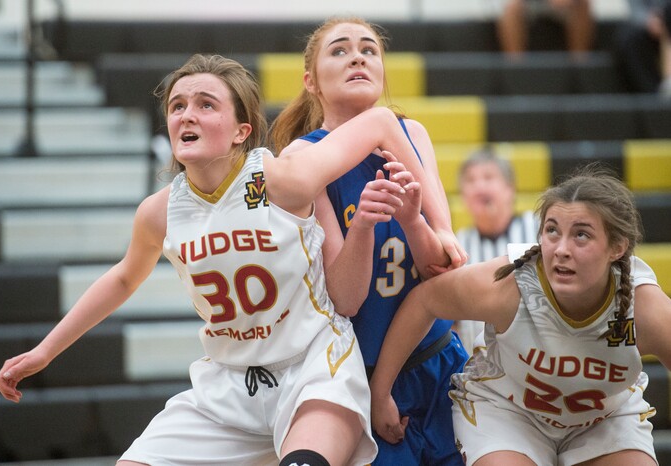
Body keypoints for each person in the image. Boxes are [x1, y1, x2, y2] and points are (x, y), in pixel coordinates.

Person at [0, 54, 449, 466]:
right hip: (229, 385)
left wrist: (441, 225)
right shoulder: (160, 211)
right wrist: (44, 351)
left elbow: (383, 122)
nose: (186, 114)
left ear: (241, 131)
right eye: (177, 106)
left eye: (206, 104)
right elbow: (122, 280)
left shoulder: (279, 179)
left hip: (314, 369)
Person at [371, 165, 671, 465]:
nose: (561, 249)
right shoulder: (510, 284)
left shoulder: (644, 306)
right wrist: (380, 393)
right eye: (552, 231)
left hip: (604, 419)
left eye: (581, 235)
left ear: (617, 248)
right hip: (509, 413)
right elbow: (424, 301)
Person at [271, 17, 469, 465]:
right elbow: (345, 298)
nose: (357, 56)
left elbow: (445, 265)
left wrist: (412, 220)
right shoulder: (302, 159)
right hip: (362, 377)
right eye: (339, 50)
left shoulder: (413, 134)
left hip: (437, 361)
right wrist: (361, 226)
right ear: (310, 82)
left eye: (369, 49)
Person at [454, 148, 539, 353]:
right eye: (471, 180)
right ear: (463, 195)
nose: (479, 186)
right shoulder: (458, 242)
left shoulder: (539, 228)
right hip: (479, 369)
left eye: (488, 177)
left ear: (510, 189)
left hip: (538, 358)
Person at [494, 0, 595, 59]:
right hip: (528, 4)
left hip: (565, 6)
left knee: (582, 4)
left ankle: (579, 65)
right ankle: (516, 67)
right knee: (511, 8)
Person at [614, 0, 671, 97]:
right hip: (650, 24)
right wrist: (648, 21)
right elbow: (635, 9)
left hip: (666, 18)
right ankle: (653, 95)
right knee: (628, 38)